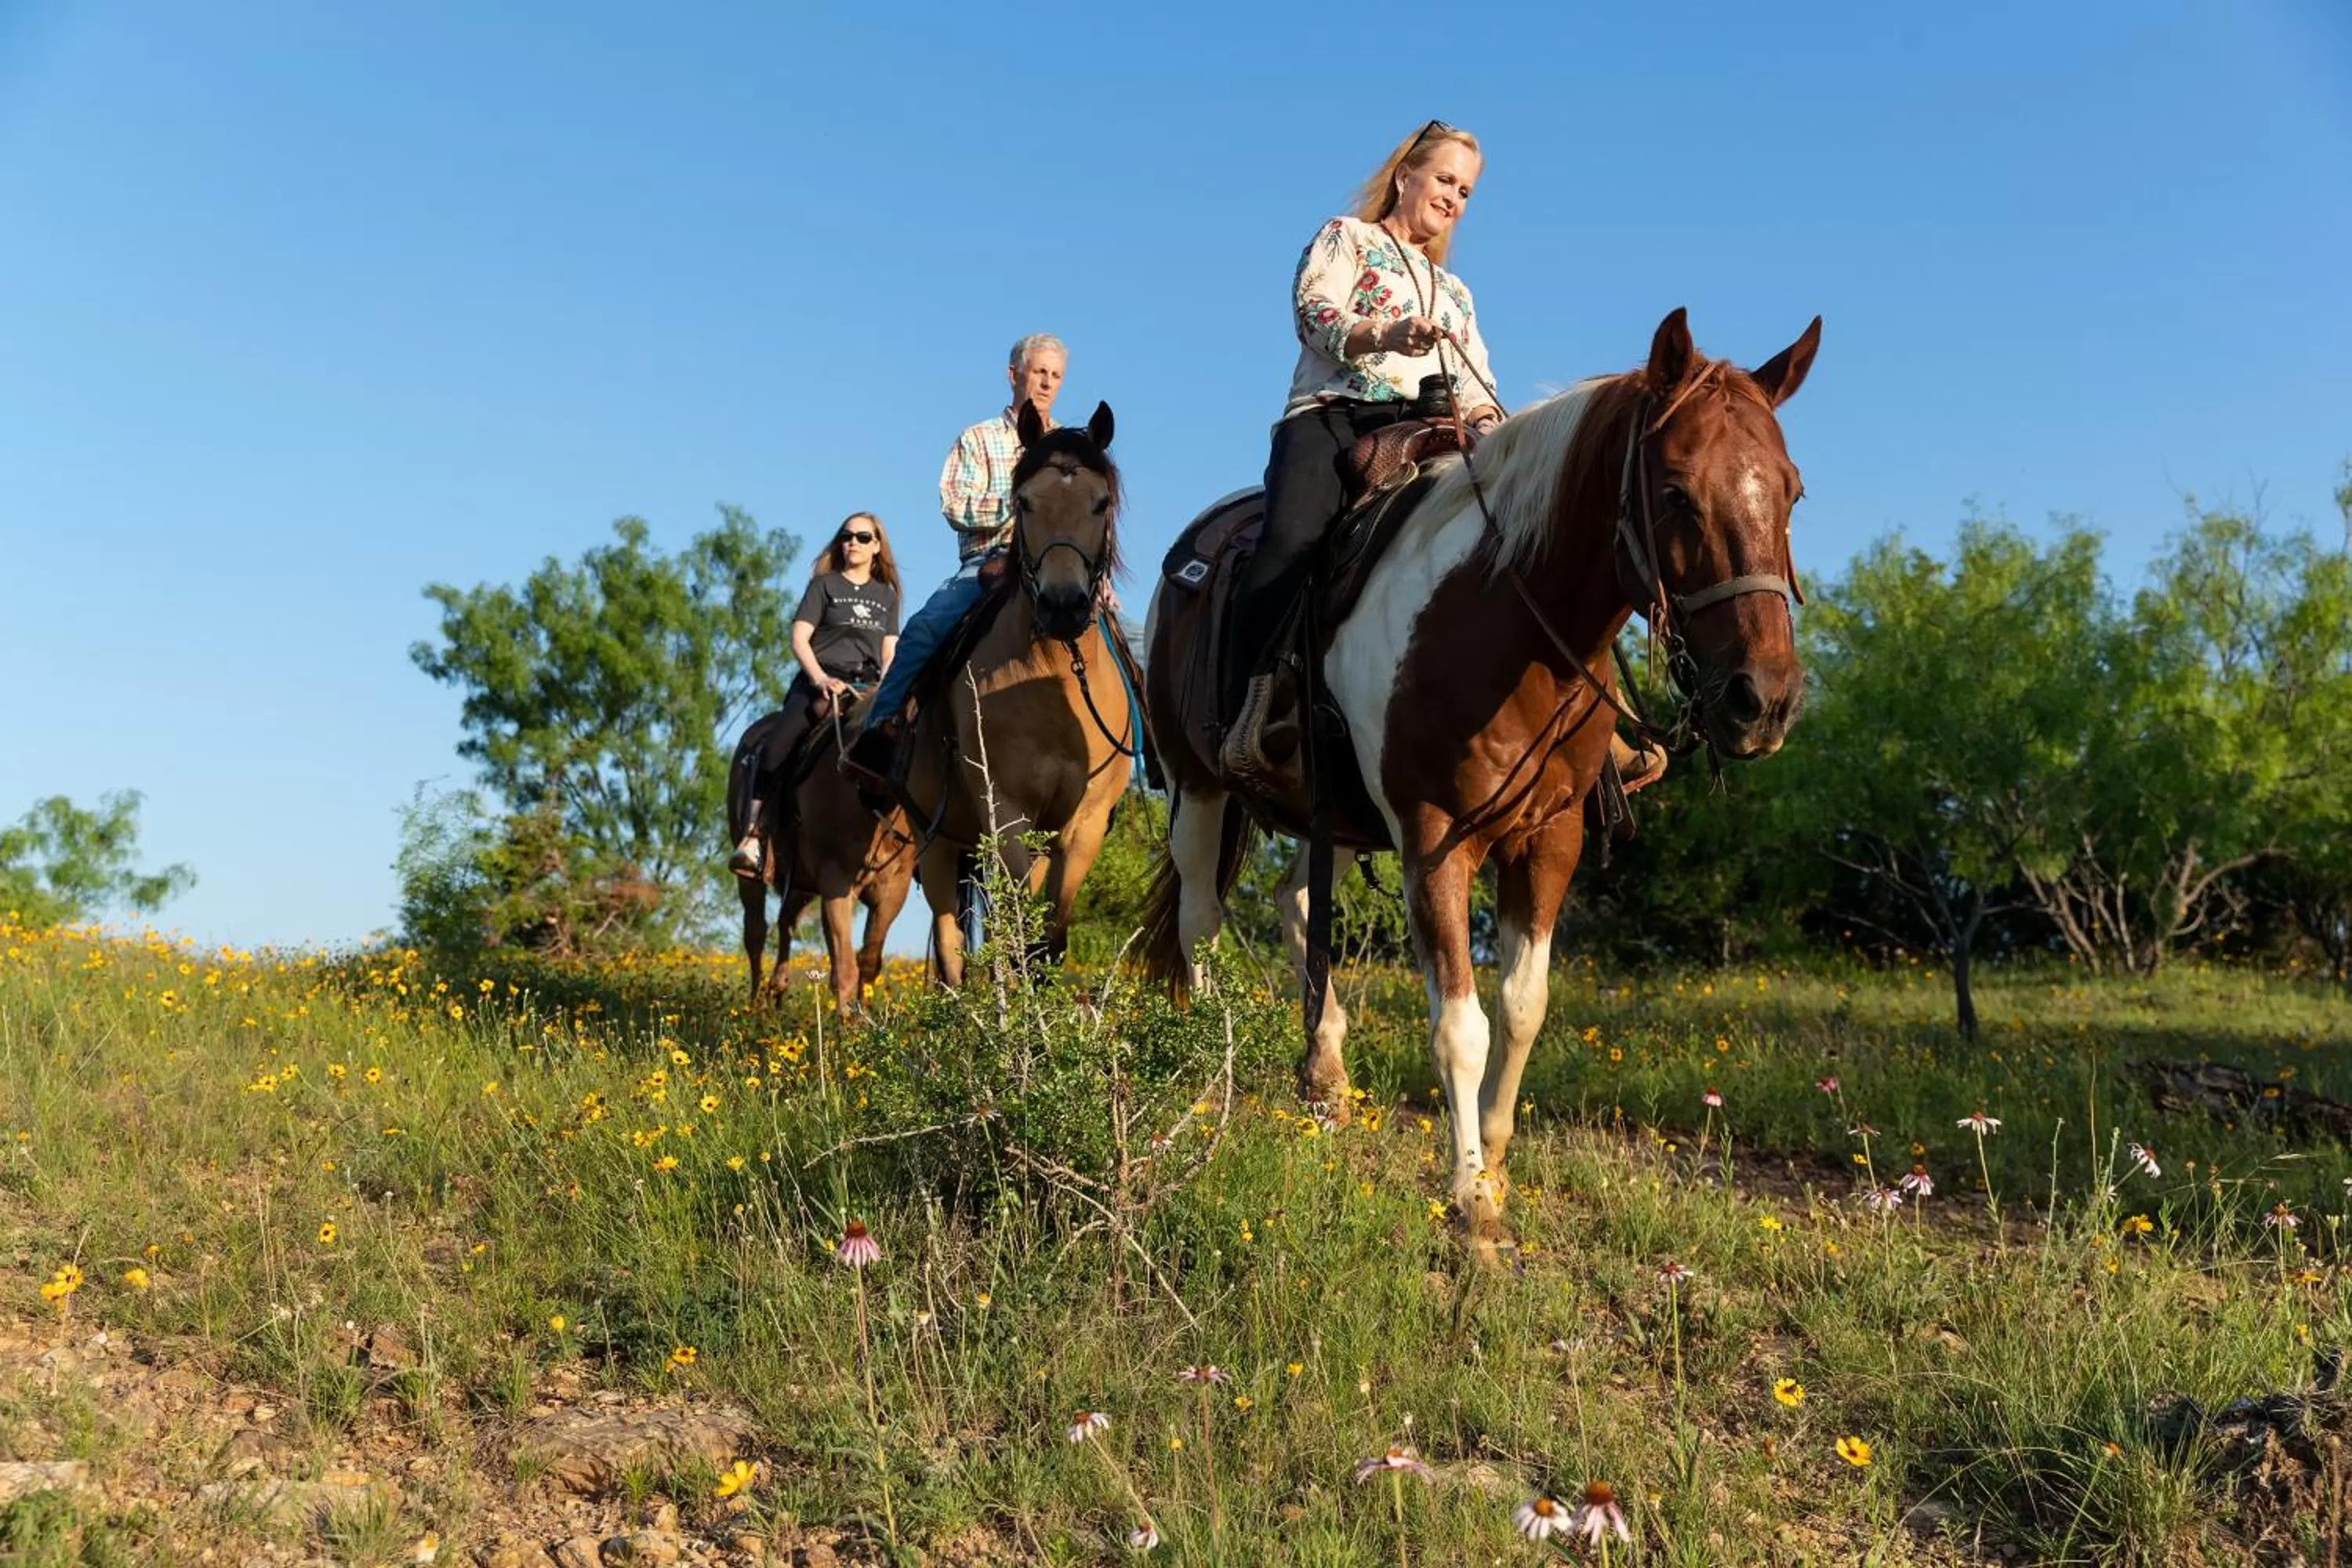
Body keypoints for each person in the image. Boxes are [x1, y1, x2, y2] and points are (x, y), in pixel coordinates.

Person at [1219, 121, 1505, 789]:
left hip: (1433, 430)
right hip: (1334, 418)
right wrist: (1388, 332)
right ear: (1406, 175)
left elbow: (1480, 385)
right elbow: (1313, 311)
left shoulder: (1456, 293)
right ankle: (1250, 709)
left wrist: (1500, 431)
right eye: (1444, 180)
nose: (1454, 199)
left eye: (1465, 191)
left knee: (1507, 529)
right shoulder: (1345, 237)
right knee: (1291, 537)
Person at [847, 332, 1068, 773]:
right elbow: (956, 504)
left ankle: (1147, 747)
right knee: (925, 629)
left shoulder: (1067, 447)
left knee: (1129, 638)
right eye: (1039, 372)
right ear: (1014, 375)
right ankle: (878, 731)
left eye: (1056, 375)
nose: (1046, 383)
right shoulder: (979, 438)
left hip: (1056, 565)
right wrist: (1025, 502)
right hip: (990, 562)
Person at [728, 512, 901, 874]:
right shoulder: (825, 586)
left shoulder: (886, 596)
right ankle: (755, 834)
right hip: (820, 683)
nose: (853, 542)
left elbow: (889, 650)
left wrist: (887, 686)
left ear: (877, 547)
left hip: (866, 688)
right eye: (847, 536)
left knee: (903, 739)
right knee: (777, 746)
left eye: (863, 537)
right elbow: (799, 638)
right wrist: (820, 678)